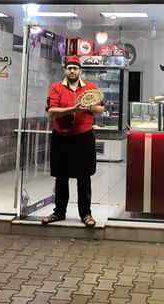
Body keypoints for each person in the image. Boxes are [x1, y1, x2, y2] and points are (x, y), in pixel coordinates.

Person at [42, 55, 104, 227]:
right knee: (61, 177)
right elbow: (51, 112)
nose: (72, 71)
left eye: (75, 68)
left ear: (80, 71)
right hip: (61, 137)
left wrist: (90, 107)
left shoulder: (91, 88)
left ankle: (86, 214)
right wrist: (73, 109)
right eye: (69, 68)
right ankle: (59, 212)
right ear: (65, 71)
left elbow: (100, 109)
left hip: (84, 137)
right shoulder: (56, 88)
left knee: (84, 177)